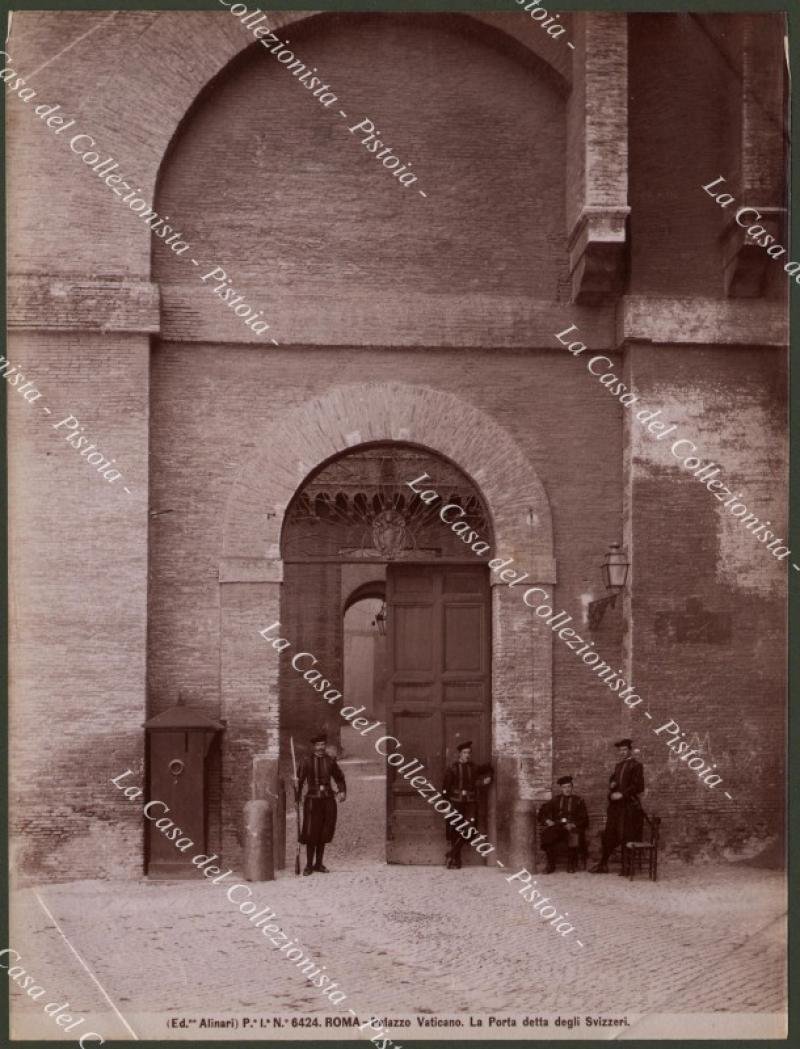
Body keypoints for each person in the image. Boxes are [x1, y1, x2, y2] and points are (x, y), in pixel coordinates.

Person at [295, 732, 346, 876]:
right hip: (312, 800)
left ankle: (319, 864)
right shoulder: (306, 761)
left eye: (323, 744)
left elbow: (339, 777)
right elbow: (299, 781)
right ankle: (309, 865)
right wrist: (296, 797)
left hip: (328, 800)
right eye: (318, 745)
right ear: (313, 746)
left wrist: (342, 791)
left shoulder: (330, 761)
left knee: (324, 832)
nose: (321, 747)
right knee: (311, 832)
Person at [591, 738, 645, 874]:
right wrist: (612, 786)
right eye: (620, 750)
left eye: (624, 750)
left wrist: (623, 794)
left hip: (629, 806)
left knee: (626, 834)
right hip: (616, 807)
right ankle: (603, 864)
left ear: (630, 750)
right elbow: (613, 781)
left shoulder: (636, 766)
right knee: (609, 833)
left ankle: (627, 867)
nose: (622, 752)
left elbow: (639, 786)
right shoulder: (618, 766)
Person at [442, 740, 492, 869]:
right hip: (456, 803)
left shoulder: (474, 767)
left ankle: (451, 854)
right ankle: (457, 860)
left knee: (470, 830)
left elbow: (489, 768)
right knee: (455, 830)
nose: (467, 755)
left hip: (470, 803)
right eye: (464, 753)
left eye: (469, 753)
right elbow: (445, 789)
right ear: (459, 754)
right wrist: (447, 806)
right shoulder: (452, 768)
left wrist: (487, 779)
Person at [537, 775, 589, 873]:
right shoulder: (555, 800)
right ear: (561, 788)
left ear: (572, 787)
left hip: (572, 827)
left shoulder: (579, 801)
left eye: (569, 786)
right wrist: (547, 821)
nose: (567, 789)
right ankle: (551, 865)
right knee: (547, 834)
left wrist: (573, 824)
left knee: (573, 835)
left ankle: (571, 864)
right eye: (564, 787)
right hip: (558, 827)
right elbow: (542, 812)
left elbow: (584, 819)